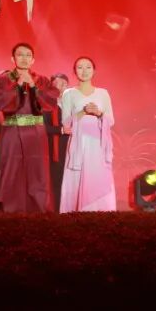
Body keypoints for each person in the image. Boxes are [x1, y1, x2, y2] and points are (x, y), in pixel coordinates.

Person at [0, 42, 61, 213]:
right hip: (12, 131)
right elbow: (1, 102)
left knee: (38, 171)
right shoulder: (2, 80)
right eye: (20, 55)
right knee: (11, 170)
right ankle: (9, 209)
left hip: (36, 133)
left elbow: (50, 101)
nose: (24, 58)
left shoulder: (42, 80)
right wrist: (18, 86)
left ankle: (40, 210)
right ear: (13, 58)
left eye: (28, 55)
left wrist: (34, 87)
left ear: (33, 60)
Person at [58, 57, 116, 212]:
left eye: (88, 67)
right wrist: (83, 112)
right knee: (76, 179)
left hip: (98, 144)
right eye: (80, 67)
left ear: (94, 70)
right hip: (78, 144)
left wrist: (98, 113)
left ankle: (101, 213)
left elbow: (111, 120)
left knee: (97, 178)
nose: (84, 71)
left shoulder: (103, 93)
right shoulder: (69, 93)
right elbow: (66, 123)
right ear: (74, 71)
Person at [46, 73, 70, 211]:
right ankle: (57, 212)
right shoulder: (47, 105)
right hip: (55, 149)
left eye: (63, 83)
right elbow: (41, 127)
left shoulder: (74, 102)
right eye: (56, 84)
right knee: (57, 182)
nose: (60, 87)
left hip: (74, 147)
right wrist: (61, 130)